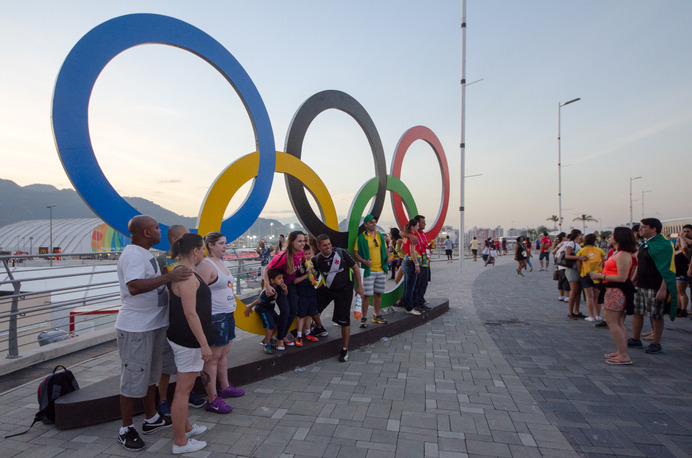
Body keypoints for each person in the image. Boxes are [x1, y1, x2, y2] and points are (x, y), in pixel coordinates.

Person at [115, 216, 192, 451]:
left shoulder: (145, 254)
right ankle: (125, 428)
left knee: (150, 375)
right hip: (137, 327)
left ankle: (151, 418)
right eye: (158, 228)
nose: (161, 232)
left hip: (154, 325)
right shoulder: (133, 255)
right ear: (147, 232)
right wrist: (169, 277)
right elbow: (135, 286)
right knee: (132, 378)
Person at [166, 233, 213, 454]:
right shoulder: (185, 275)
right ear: (195, 250)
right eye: (202, 249)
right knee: (183, 390)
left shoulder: (184, 270)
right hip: (188, 340)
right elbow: (190, 313)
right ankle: (180, 442)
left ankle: (186, 427)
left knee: (185, 386)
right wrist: (204, 344)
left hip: (186, 338)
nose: (204, 252)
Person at [155, 225, 207, 420]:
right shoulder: (162, 260)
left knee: (186, 366)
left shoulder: (192, 261)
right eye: (185, 236)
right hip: (170, 318)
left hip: (185, 321)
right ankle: (162, 399)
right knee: (167, 362)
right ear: (175, 238)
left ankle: (186, 393)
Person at [195, 232, 245, 415]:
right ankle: (212, 398)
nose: (225, 246)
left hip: (228, 314)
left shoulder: (221, 262)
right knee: (212, 358)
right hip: (215, 317)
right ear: (210, 245)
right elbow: (197, 293)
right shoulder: (205, 265)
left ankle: (225, 386)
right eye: (221, 243)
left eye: (225, 243)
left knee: (224, 354)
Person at [628, 218, 677, 354]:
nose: (640, 229)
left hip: (655, 286)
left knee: (656, 315)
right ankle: (635, 339)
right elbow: (639, 264)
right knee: (637, 312)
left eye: (643, 227)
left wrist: (663, 289)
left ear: (653, 229)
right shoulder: (645, 244)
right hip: (641, 285)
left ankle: (656, 342)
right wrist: (632, 281)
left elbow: (668, 269)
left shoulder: (664, 245)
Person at [313, 234, 365, 362]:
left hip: (344, 291)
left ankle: (345, 349)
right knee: (312, 308)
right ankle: (320, 328)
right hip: (329, 289)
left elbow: (356, 269)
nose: (328, 247)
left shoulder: (341, 253)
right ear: (319, 247)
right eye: (324, 245)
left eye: (329, 244)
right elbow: (313, 276)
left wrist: (359, 287)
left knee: (344, 321)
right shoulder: (317, 260)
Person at [589, 228, 637, 365]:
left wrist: (601, 276)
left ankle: (623, 355)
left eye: (612, 234)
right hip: (612, 289)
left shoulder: (622, 255)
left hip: (616, 290)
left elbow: (622, 277)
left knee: (613, 322)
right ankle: (621, 351)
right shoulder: (618, 253)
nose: (609, 236)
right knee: (618, 322)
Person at [264, 231, 305, 348]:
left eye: (303, 241)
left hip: (290, 285)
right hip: (279, 286)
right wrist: (267, 285)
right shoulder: (282, 256)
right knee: (285, 311)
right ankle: (280, 340)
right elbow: (267, 269)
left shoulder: (301, 253)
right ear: (292, 242)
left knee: (294, 310)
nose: (302, 243)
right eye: (299, 241)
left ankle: (281, 335)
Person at [353, 215, 389, 327]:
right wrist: (364, 261)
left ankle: (376, 315)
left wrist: (388, 257)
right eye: (371, 222)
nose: (374, 224)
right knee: (367, 295)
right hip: (369, 271)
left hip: (381, 269)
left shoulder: (380, 236)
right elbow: (356, 253)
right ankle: (364, 318)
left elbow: (385, 248)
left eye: (375, 222)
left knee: (378, 294)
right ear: (365, 225)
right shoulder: (361, 237)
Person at [245, 268, 286, 354]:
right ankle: (267, 344)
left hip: (270, 309)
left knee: (279, 322)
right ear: (272, 280)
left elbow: (285, 294)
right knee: (270, 325)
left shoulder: (278, 287)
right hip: (263, 309)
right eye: (279, 278)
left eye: (282, 278)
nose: (282, 280)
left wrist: (285, 289)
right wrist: (249, 307)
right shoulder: (268, 291)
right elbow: (259, 301)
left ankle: (268, 338)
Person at [293, 244, 321, 345]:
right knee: (301, 315)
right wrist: (306, 275)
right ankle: (299, 335)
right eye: (306, 254)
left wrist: (314, 274)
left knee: (310, 314)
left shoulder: (310, 264)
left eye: (309, 253)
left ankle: (308, 333)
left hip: (311, 293)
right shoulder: (299, 266)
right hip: (302, 294)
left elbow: (314, 277)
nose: (308, 256)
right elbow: (295, 281)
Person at [577, 233, 606, 322]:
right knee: (596, 296)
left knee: (589, 296)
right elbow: (604, 262)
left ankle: (591, 316)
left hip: (585, 274)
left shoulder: (582, 250)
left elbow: (578, 262)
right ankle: (598, 315)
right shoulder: (600, 250)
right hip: (598, 275)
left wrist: (580, 272)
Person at [400, 219, 422, 316]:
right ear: (412, 227)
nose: (418, 227)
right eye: (417, 226)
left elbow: (401, 248)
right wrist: (416, 264)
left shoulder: (406, 237)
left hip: (405, 261)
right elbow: (412, 252)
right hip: (410, 263)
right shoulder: (413, 237)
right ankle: (409, 308)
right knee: (410, 287)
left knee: (407, 286)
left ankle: (407, 306)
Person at [674, 224, 692, 317]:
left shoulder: (686, 249)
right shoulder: (677, 250)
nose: (685, 233)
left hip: (683, 272)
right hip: (678, 272)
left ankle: (683, 309)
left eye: (688, 231)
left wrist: (682, 237)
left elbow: (685, 248)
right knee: (678, 291)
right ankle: (679, 308)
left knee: (681, 291)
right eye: (684, 231)